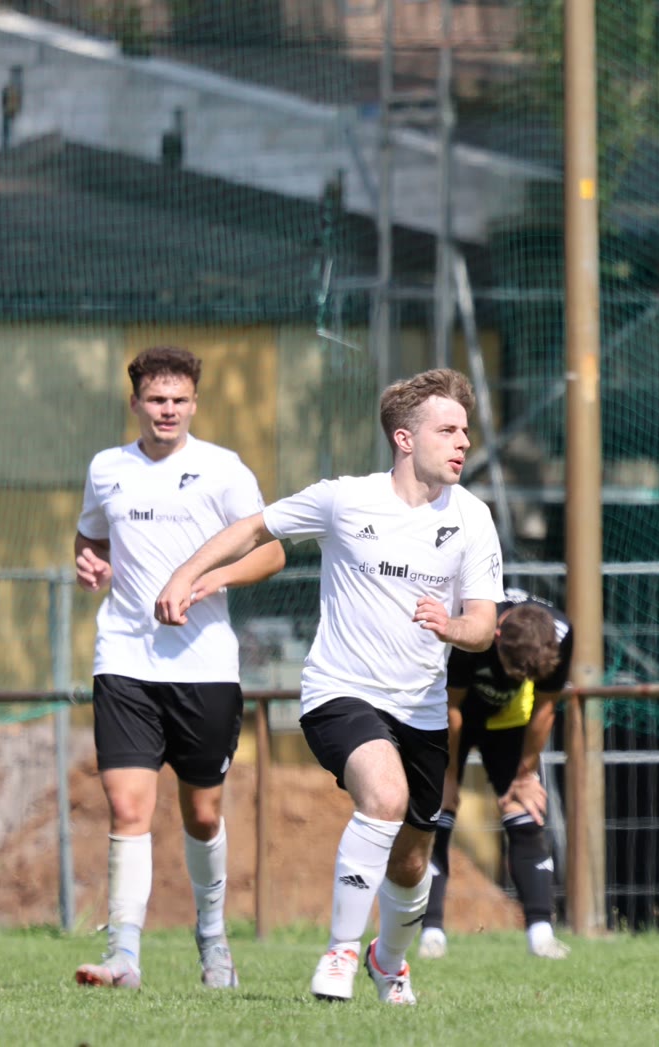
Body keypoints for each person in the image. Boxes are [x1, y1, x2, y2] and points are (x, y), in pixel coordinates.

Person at [155, 368, 503, 1006]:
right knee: (385, 795)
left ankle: (387, 962)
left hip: (422, 709)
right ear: (404, 438)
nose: (463, 442)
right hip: (340, 692)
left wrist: (450, 625)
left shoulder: (474, 519)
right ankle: (340, 952)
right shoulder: (345, 499)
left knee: (412, 860)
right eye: (448, 430)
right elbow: (253, 529)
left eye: (465, 431)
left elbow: (483, 626)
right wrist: (186, 574)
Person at [72, 346, 287, 991]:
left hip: (204, 665)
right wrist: (90, 562)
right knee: (126, 806)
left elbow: (270, 554)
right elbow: (91, 537)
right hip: (124, 657)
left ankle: (213, 939)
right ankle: (123, 956)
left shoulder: (223, 470)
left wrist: (205, 581)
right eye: (156, 399)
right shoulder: (106, 468)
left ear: (194, 404)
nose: (167, 410)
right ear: (135, 402)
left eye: (178, 400)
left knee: (203, 814)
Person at [419, 589, 574, 960]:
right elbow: (452, 706)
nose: (516, 678)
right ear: (498, 638)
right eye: (512, 669)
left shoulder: (561, 635)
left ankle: (541, 934)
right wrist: (449, 775)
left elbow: (545, 707)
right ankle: (431, 933)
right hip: (453, 715)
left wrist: (524, 775)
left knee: (525, 812)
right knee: (438, 815)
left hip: (509, 723)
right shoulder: (476, 625)